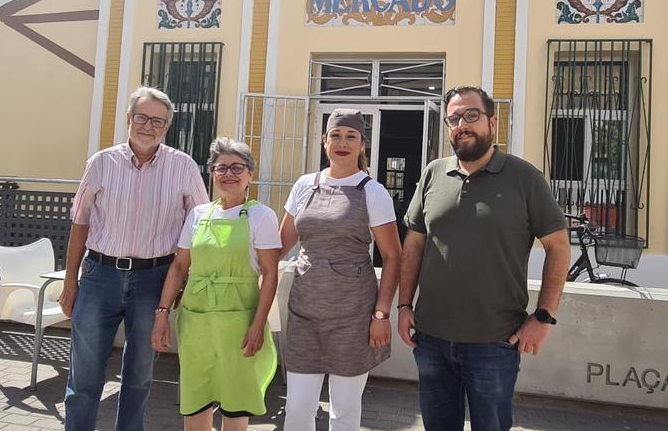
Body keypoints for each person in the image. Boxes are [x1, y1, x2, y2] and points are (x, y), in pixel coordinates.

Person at [397, 86, 571, 431]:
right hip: (430, 338)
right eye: (454, 118)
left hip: (494, 342)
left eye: (471, 116)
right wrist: (404, 306)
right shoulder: (433, 173)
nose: (462, 124)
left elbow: (559, 247)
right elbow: (414, 245)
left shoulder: (525, 178)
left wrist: (544, 316)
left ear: (493, 122)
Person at [59, 86, 209, 431]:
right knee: (83, 376)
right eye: (141, 117)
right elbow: (79, 223)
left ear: (167, 127)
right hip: (100, 276)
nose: (148, 126)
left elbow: (198, 227)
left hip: (153, 280)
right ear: (128, 119)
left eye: (158, 121)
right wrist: (70, 283)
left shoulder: (183, 166)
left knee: (139, 377)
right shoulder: (100, 162)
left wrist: (184, 280)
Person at [278, 108, 403, 431]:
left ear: (363, 145)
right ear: (324, 141)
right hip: (305, 314)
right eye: (335, 135)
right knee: (297, 410)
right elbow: (280, 245)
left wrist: (381, 315)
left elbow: (392, 257)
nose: (342, 143)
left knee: (344, 413)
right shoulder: (305, 185)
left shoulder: (372, 192)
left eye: (351, 136)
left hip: (353, 318)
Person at [151, 138, 281, 430]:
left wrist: (258, 325)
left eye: (237, 167)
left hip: (239, 324)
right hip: (196, 323)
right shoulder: (198, 214)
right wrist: (162, 314)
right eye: (221, 168)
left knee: (235, 404)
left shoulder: (261, 216)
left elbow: (270, 274)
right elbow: (180, 266)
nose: (228, 174)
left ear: (250, 174)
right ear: (212, 173)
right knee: (196, 398)